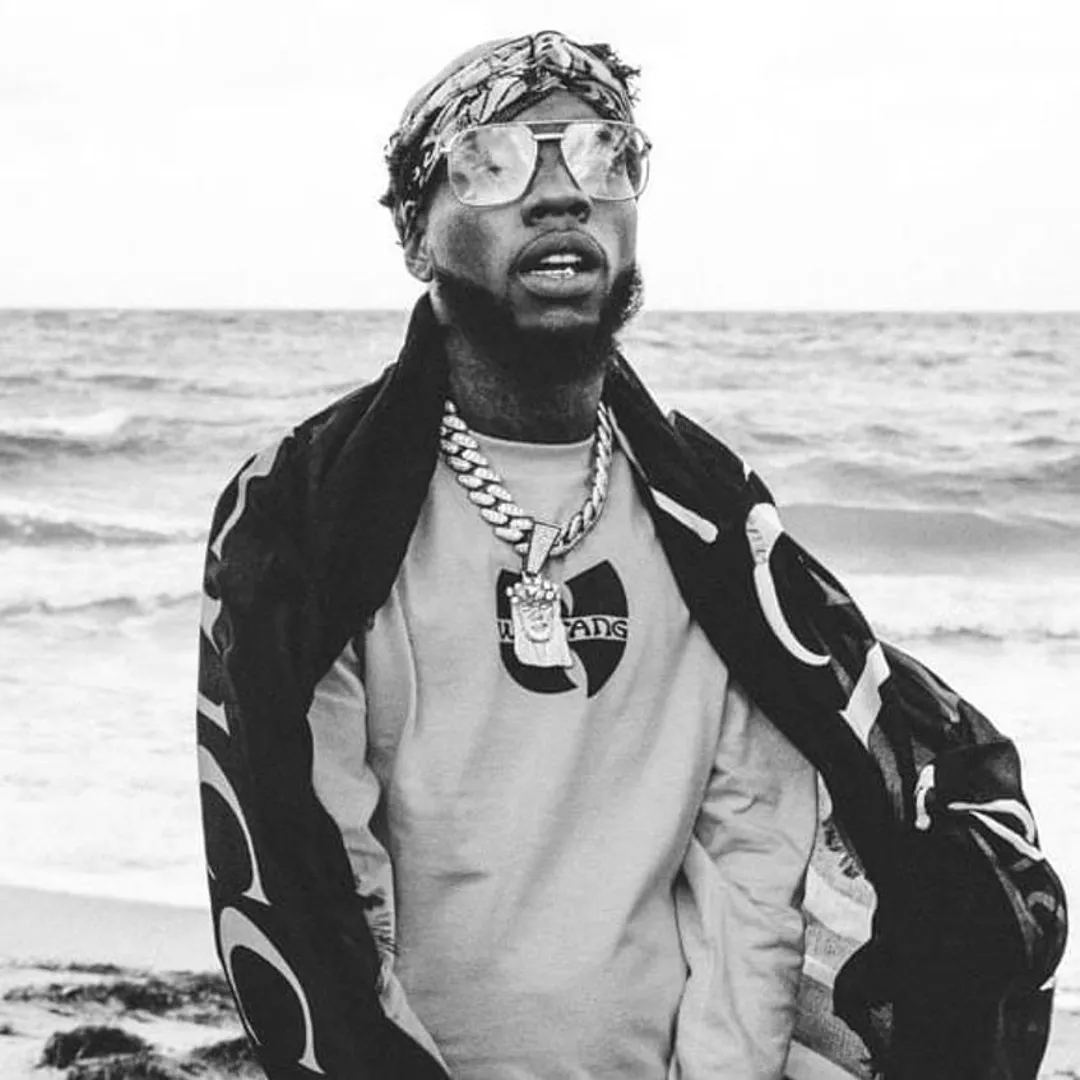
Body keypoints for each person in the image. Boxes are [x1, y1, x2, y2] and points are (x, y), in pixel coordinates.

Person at [196, 30, 1066, 1080]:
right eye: (493, 161)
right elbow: (313, 875)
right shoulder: (309, 522)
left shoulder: (710, 521)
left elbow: (756, 860)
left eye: (603, 154)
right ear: (415, 235)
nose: (563, 192)